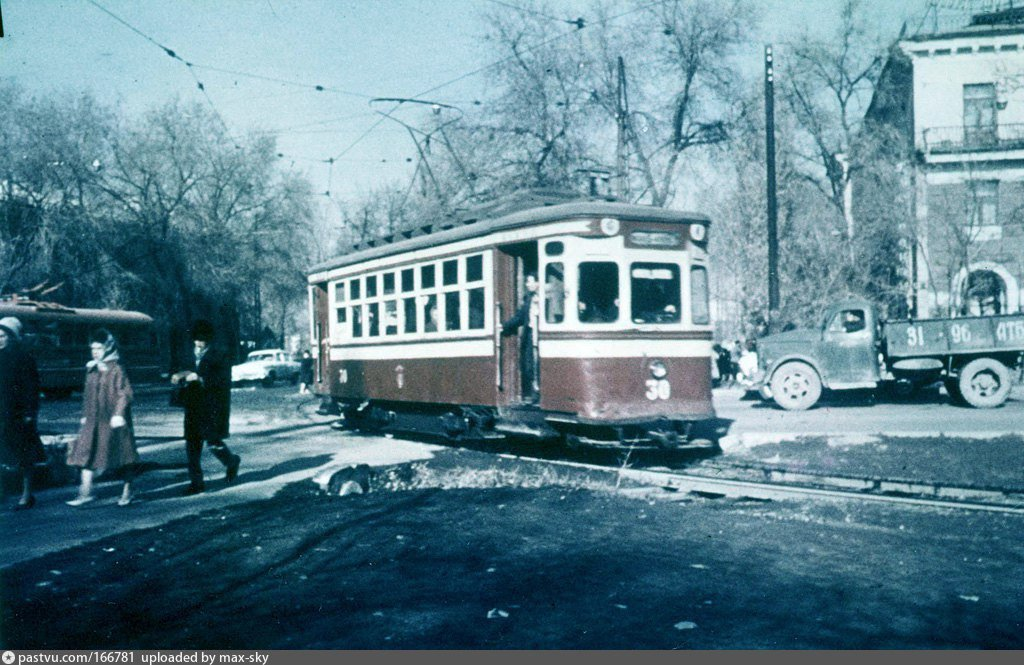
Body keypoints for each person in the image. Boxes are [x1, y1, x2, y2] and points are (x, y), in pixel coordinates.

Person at [65, 329, 139, 507]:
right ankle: (85, 494)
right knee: (85, 454)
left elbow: (125, 393)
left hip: (112, 419)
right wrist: (84, 415)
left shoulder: (116, 368)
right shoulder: (92, 368)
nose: (95, 351)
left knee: (122, 455)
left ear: (108, 347)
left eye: (99, 348)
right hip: (93, 420)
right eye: (93, 348)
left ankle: (128, 491)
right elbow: (87, 395)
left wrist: (118, 414)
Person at [172, 319, 239, 495]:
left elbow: (223, 381)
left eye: (201, 340)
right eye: (196, 339)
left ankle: (231, 461)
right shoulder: (189, 354)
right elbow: (183, 369)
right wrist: (179, 375)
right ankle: (196, 482)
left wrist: (201, 379)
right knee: (192, 444)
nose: (198, 343)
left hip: (212, 406)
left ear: (208, 339)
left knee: (213, 442)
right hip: (193, 405)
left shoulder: (220, 354)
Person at [0, 317, 46, 510]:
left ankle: (26, 495)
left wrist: (29, 412)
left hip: (17, 415)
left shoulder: (23, 357)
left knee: (23, 456)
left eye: (3, 335)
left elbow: (31, 388)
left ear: (12, 337)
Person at [502, 272, 540, 402]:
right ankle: (535, 393)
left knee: (539, 365)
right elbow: (520, 316)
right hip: (531, 336)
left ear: (537, 283)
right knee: (530, 365)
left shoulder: (545, 298)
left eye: (530, 281)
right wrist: (504, 326)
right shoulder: (528, 299)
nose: (527, 284)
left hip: (542, 337)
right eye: (527, 281)